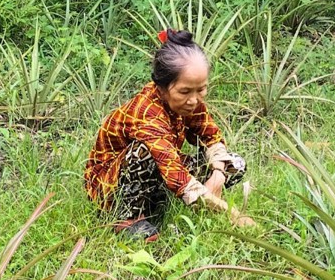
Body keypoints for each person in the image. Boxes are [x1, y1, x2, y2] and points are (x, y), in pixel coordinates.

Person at [84, 29, 254, 241]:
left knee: (234, 164)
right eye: (185, 92)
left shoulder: (191, 102)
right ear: (162, 88)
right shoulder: (147, 113)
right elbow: (176, 176)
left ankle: (162, 202)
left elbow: (211, 136)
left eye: (201, 89)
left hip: (162, 170)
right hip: (111, 183)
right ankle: (126, 218)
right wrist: (233, 213)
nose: (194, 99)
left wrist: (218, 175)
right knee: (142, 153)